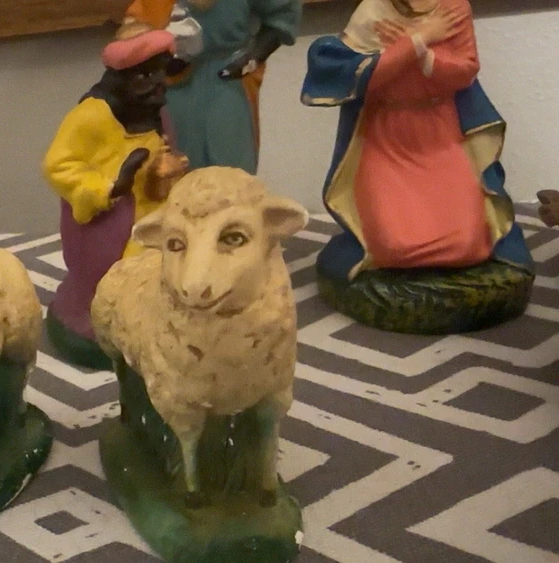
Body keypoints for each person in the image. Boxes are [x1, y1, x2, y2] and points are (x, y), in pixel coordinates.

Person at [301, 0, 533, 281]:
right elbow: (365, 78)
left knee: (469, 243)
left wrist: (423, 56)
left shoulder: (453, 8)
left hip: (440, 135)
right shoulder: (373, 10)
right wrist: (418, 40)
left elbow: (465, 71)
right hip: (385, 139)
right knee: (392, 245)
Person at [42, 29, 186, 363]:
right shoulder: (92, 116)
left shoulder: (157, 112)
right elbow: (57, 165)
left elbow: (164, 151)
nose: (157, 85)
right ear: (121, 79)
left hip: (154, 212)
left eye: (160, 73)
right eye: (145, 76)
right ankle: (98, 320)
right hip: (107, 220)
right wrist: (112, 185)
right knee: (105, 278)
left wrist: (169, 171)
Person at [118, 0, 301, 172]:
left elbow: (282, 12)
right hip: (172, 83)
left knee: (231, 159)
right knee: (176, 159)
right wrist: (158, 55)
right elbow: (137, 23)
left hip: (228, 76)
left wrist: (253, 56)